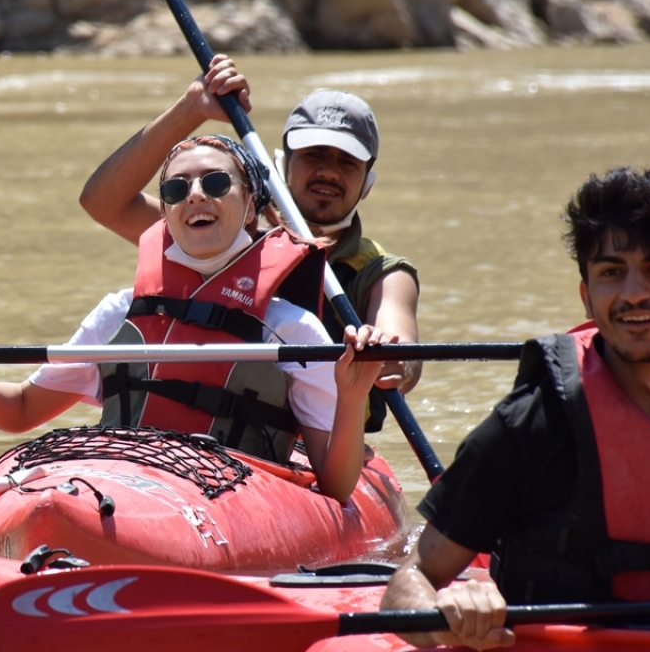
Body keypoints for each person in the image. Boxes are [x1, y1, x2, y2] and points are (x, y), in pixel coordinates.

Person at [379, 166, 650, 650]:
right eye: (610, 273)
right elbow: (407, 586)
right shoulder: (533, 425)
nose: (633, 293)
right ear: (587, 297)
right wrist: (448, 616)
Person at [0, 135, 385, 504]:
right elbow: (21, 410)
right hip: (119, 483)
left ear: (250, 207)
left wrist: (352, 395)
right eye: (175, 189)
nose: (195, 195)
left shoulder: (294, 330)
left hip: (232, 499)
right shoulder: (119, 313)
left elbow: (336, 485)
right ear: (166, 213)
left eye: (215, 183)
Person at [79, 56, 421, 431]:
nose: (327, 171)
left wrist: (396, 361)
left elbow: (401, 345)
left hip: (319, 446)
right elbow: (103, 202)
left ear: (367, 183)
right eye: (314, 155)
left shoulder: (383, 273)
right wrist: (192, 108)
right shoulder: (216, 232)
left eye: (346, 162)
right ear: (280, 164)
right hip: (212, 436)